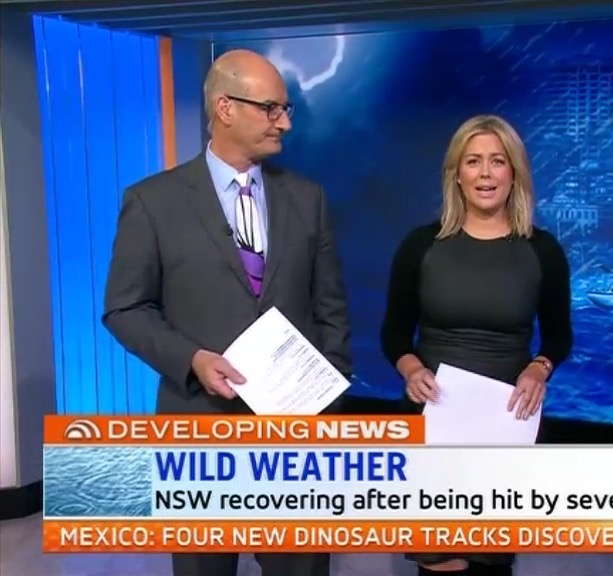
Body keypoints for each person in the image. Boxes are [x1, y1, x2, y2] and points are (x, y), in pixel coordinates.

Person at [102, 49, 352, 576]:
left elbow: (331, 307)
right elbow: (125, 308)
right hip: (199, 431)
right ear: (225, 107)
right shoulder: (152, 202)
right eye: (270, 108)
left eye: (285, 109)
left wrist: (327, 398)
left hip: (295, 443)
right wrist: (192, 359)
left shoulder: (307, 198)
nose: (284, 122)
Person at [379, 114, 574, 576]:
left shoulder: (543, 250)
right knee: (441, 562)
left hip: (505, 422)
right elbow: (394, 332)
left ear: (514, 173)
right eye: (473, 161)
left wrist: (539, 367)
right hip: (434, 420)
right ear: (456, 174)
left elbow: (559, 335)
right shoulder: (420, 246)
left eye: (497, 161)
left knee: (490, 564)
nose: (485, 173)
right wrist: (410, 369)